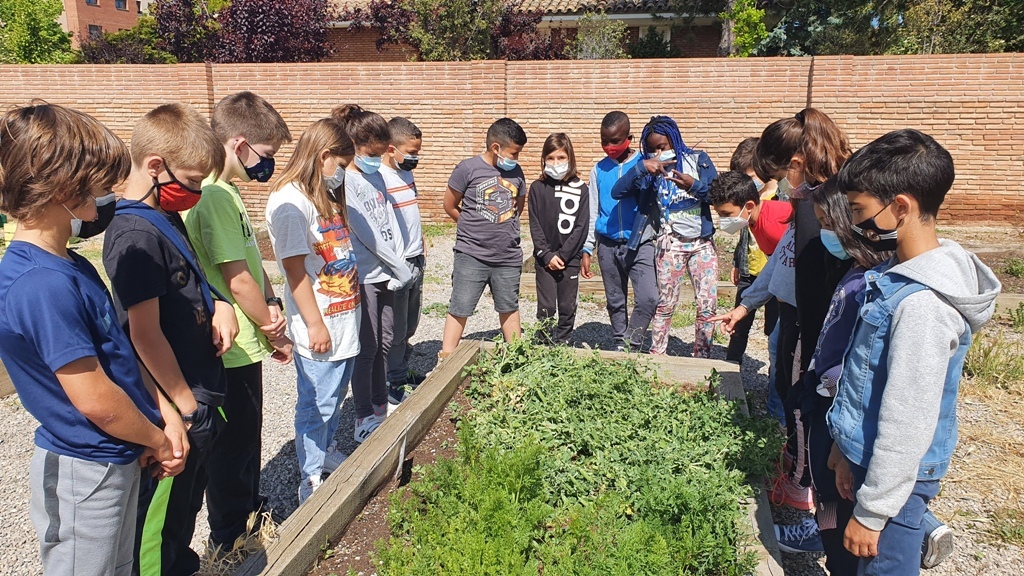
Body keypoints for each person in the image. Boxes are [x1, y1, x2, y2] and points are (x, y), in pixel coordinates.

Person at [0, 103, 185, 576]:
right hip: (86, 468)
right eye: (100, 183)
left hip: (118, 452)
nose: (108, 195)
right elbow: (96, 400)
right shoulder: (41, 284)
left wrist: (161, 412)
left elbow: (117, 350)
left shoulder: (71, 263)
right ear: (64, 188)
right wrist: (158, 440)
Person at [826, 129, 999, 575]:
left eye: (859, 210)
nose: (855, 222)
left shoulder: (923, 305)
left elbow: (908, 417)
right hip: (870, 463)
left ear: (900, 207)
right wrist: (845, 446)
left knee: (883, 566)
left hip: (895, 484)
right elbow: (865, 377)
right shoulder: (894, 274)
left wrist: (873, 512)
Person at [103, 103, 237, 575]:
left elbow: (191, 275)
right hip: (176, 408)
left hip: (196, 393)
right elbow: (144, 334)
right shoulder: (134, 235)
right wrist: (185, 405)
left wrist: (221, 303)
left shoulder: (163, 214)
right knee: (158, 531)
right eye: (193, 181)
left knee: (184, 513)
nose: (196, 193)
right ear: (156, 166)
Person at [714, 108, 852, 511]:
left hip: (811, 323)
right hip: (795, 317)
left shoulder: (820, 204)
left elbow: (822, 276)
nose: (779, 188)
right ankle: (797, 465)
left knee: (802, 403)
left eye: (778, 176)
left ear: (795, 162)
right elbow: (782, 262)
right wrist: (746, 306)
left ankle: (801, 490)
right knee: (792, 396)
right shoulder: (805, 201)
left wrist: (812, 331)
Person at [182, 90, 293, 553]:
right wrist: (272, 326)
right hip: (232, 347)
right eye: (266, 154)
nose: (267, 164)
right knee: (233, 447)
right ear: (240, 144)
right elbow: (237, 277)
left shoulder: (225, 190)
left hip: (245, 340)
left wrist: (271, 301)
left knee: (246, 437)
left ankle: (250, 514)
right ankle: (232, 540)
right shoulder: (213, 196)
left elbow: (251, 263)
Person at [265, 118, 360, 503]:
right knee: (315, 404)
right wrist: (315, 324)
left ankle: (324, 452)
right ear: (324, 156)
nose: (343, 173)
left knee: (334, 398)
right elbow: (294, 272)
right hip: (321, 325)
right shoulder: (290, 203)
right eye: (342, 164)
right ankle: (310, 476)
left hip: (344, 320)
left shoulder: (321, 195)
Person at [610, 115, 719, 358]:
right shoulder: (649, 171)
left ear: (674, 140)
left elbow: (719, 196)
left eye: (663, 147)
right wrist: (641, 168)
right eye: (653, 150)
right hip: (670, 244)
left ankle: (702, 358)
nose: (659, 153)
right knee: (665, 304)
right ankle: (657, 356)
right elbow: (617, 192)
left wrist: (693, 185)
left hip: (702, 243)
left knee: (707, 305)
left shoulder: (698, 161)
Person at [333, 104, 411, 441]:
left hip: (386, 273)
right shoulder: (347, 181)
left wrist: (399, 260)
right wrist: (397, 263)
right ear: (354, 146)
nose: (377, 160)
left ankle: (380, 406)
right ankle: (363, 415)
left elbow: (388, 219)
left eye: (380, 154)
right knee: (368, 347)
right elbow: (367, 233)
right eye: (372, 154)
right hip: (365, 275)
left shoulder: (376, 175)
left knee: (386, 341)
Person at [440, 118, 528, 357]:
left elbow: (517, 207)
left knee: (509, 307)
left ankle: (516, 357)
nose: (516, 158)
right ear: (496, 148)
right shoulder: (467, 169)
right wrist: (470, 227)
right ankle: (445, 360)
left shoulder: (516, 172)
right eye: (514, 153)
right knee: (460, 306)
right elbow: (450, 205)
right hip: (471, 255)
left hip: (507, 256)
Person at [722, 137, 786, 427]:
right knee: (747, 331)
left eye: (725, 215)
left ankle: (777, 409)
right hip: (758, 275)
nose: (724, 221)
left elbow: (783, 261)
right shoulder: (751, 217)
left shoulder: (778, 211)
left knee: (777, 339)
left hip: (785, 286)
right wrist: (739, 265)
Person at [581, 111, 657, 352]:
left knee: (648, 298)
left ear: (629, 138)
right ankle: (619, 345)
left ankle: (631, 343)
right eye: (604, 141)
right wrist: (588, 247)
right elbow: (593, 210)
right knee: (615, 300)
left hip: (640, 243)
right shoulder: (599, 170)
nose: (609, 147)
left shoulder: (645, 165)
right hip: (607, 244)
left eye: (615, 141)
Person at [527, 133, 590, 343]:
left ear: (570, 158)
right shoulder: (537, 188)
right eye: (551, 158)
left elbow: (581, 227)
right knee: (546, 307)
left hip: (569, 259)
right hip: (545, 259)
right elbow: (535, 224)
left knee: (567, 306)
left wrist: (563, 255)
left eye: (561, 158)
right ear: (544, 159)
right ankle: (542, 343)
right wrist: (546, 255)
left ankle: (563, 343)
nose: (556, 163)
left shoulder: (580, 188)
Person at [380, 116, 426, 400]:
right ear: (390, 149)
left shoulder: (406, 174)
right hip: (398, 263)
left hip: (416, 257)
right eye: (411, 152)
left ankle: (401, 369)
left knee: (410, 322)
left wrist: (421, 245)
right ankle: (392, 382)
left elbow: (411, 214)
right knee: (395, 328)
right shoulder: (379, 178)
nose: (415, 158)